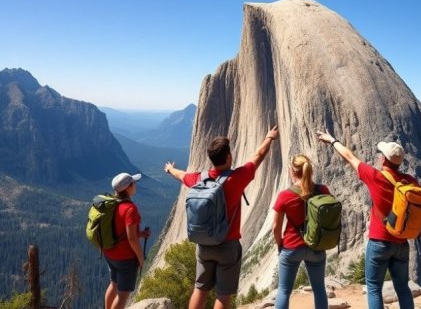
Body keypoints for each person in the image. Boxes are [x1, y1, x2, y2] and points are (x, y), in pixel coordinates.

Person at [164, 125, 279, 309]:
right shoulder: (237, 178)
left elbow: (182, 176)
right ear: (228, 157)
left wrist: (170, 169)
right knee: (223, 295)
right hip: (227, 245)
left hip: (203, 244)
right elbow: (258, 156)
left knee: (199, 289)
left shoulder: (198, 179)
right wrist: (269, 137)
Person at [316, 129, 417, 309]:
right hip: (402, 242)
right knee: (402, 288)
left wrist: (332, 141)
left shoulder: (375, 176)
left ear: (384, 159)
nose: (378, 157)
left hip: (379, 242)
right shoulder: (410, 182)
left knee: (373, 288)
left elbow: (350, 157)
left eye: (380, 154)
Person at [272, 154, 329, 309]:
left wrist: (280, 245)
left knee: (284, 290)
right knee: (319, 290)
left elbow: (276, 227)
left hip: (291, 247)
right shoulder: (323, 190)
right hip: (316, 247)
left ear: (292, 171)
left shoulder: (285, 195)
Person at [103, 172, 151, 309]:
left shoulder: (111, 204)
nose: (135, 185)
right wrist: (141, 258)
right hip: (125, 258)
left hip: (109, 253)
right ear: (128, 188)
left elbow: (120, 231)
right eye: (133, 183)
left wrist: (140, 234)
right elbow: (131, 239)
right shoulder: (130, 209)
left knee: (113, 284)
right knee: (123, 295)